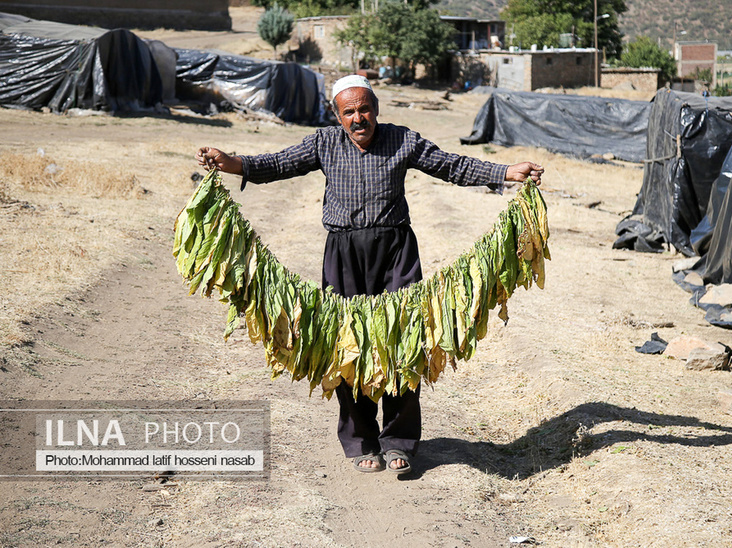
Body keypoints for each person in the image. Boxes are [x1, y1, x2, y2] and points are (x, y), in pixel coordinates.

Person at [196, 75, 543, 475]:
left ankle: (398, 440)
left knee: (402, 340)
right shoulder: (323, 143)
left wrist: (505, 173)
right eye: (349, 112)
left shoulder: (402, 140)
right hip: (343, 254)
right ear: (337, 115)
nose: (358, 118)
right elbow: (277, 164)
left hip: (396, 250)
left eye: (364, 109)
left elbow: (453, 165)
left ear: (375, 109)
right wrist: (231, 163)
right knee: (347, 343)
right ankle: (361, 439)